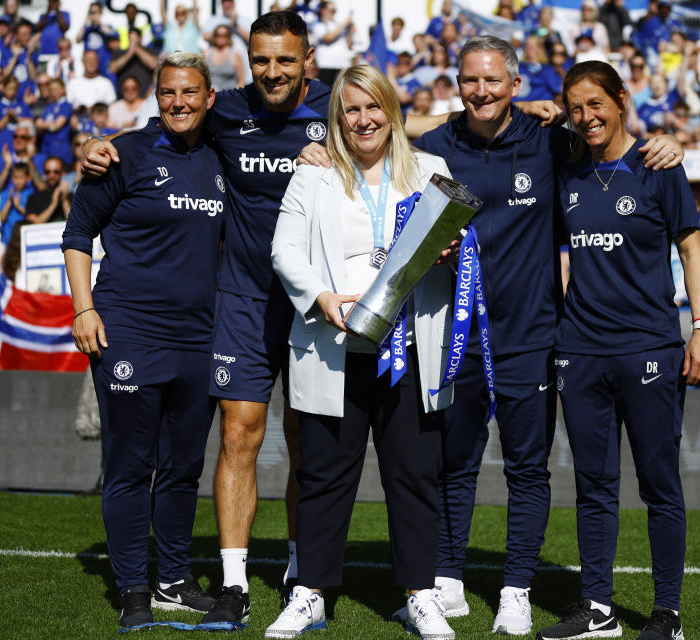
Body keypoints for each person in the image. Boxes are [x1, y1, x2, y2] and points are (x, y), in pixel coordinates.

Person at [405, 37, 682, 636]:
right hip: (457, 334)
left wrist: (668, 141)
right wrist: (452, 113)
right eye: (470, 80)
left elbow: (615, 144)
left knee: (527, 468)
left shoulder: (551, 141)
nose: (482, 91)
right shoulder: (439, 143)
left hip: (532, 336)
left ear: (516, 83)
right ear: (457, 82)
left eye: (494, 82)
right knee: (455, 460)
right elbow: (390, 124)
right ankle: (449, 578)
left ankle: (516, 588)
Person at [82, 10, 332, 625]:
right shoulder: (225, 110)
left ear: (308, 62)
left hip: (314, 304)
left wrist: (495, 113)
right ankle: (234, 582)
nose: (273, 71)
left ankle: (301, 576)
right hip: (241, 301)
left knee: (305, 443)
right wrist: (99, 146)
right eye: (263, 59)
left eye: (286, 60)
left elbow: (399, 123)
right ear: (247, 61)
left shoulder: (336, 108)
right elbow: (163, 123)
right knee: (240, 434)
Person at [266, 63, 456, 640]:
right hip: (334, 344)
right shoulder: (313, 175)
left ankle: (419, 595)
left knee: (414, 474)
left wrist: (448, 251)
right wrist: (320, 296)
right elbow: (284, 251)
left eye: (374, 107)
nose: (364, 119)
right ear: (338, 117)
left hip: (410, 347)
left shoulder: (431, 172)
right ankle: (311, 593)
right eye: (352, 109)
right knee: (324, 474)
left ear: (392, 111)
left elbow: (452, 243)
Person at [540, 60, 700, 640]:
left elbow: (691, 252)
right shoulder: (566, 168)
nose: (586, 117)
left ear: (621, 100)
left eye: (596, 104)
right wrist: (545, 112)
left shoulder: (659, 165)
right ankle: (598, 609)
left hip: (650, 349)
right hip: (580, 351)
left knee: (659, 484)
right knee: (593, 484)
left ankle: (667, 613)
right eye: (575, 106)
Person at [61, 51, 223, 629]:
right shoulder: (122, 154)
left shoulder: (222, 153)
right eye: (167, 94)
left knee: (183, 468)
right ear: (157, 99)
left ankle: (174, 582)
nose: (178, 103)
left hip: (201, 339)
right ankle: (133, 587)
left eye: (189, 93)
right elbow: (78, 235)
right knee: (131, 466)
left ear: (210, 98)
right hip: (129, 333)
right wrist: (83, 309)